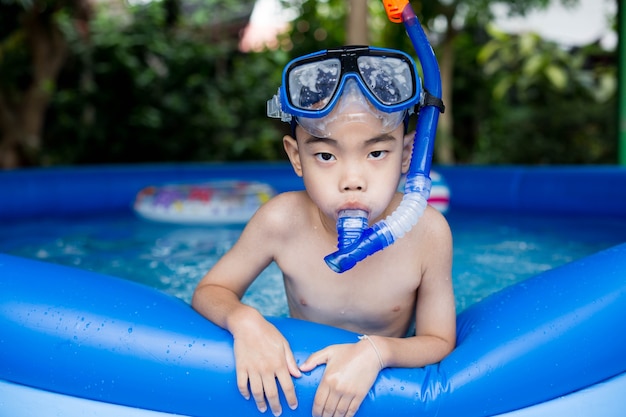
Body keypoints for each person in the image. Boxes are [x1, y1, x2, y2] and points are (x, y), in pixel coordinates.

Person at [191, 45, 456, 417]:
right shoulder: (281, 221)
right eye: (326, 156)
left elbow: (440, 340)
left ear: (407, 155)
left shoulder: (427, 233)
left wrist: (378, 352)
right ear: (297, 157)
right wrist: (246, 321)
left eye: (376, 153)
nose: (352, 180)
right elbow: (210, 291)